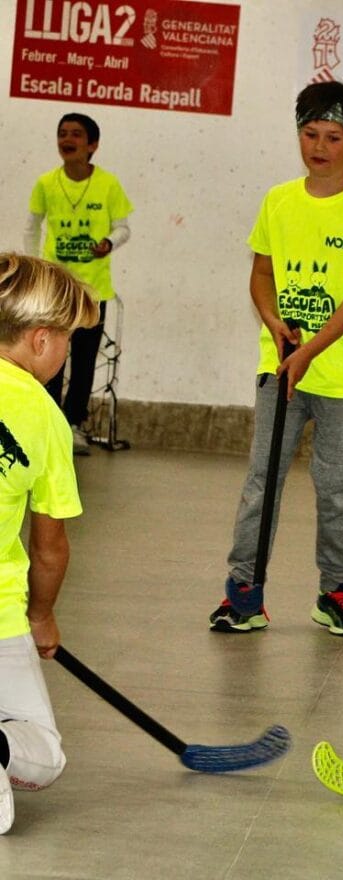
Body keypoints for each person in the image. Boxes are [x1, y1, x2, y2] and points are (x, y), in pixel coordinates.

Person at [208, 81, 343, 638]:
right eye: (310, 133)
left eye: (333, 136)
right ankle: (243, 595)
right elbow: (262, 272)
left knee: (338, 489)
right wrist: (273, 325)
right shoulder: (277, 201)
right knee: (261, 484)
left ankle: (335, 593)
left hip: (340, 378)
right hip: (280, 370)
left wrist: (308, 351)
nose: (319, 146)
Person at [0, 254, 100, 834]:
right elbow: (50, 549)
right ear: (40, 340)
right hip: (3, 613)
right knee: (43, 759)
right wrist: (42, 615)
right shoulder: (43, 417)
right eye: (67, 339)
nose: (67, 350)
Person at [25, 113, 134, 456]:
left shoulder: (108, 184)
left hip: (92, 291)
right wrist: (36, 268)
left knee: (85, 361)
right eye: (62, 133)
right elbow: (32, 227)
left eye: (76, 134)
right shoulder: (46, 183)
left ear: (92, 145)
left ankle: (71, 425)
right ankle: (47, 422)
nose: (67, 139)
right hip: (56, 291)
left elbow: (123, 228)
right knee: (49, 358)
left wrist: (109, 243)